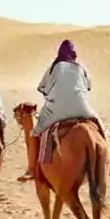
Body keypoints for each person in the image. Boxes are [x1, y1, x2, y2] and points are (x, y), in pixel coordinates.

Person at [27, 39, 100, 182]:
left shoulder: (55, 67)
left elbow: (43, 89)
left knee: (36, 133)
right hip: (82, 108)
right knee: (100, 127)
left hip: (56, 110)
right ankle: (108, 163)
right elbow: (88, 87)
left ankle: (31, 169)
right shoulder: (81, 67)